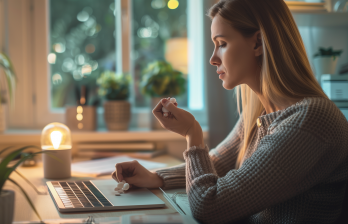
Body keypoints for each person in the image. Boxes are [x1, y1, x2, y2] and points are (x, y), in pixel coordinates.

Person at [111, 0, 348, 223]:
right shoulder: (260, 111)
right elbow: (217, 164)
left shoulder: (310, 121)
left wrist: (192, 133)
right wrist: (156, 178)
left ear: (257, 43)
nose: (213, 58)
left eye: (222, 44)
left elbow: (210, 206)